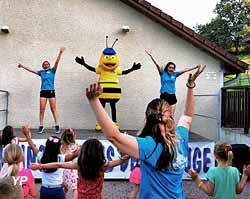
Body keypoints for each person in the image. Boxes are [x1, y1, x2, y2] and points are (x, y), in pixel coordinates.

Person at [86, 64, 206, 199]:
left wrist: (94, 101)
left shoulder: (150, 146)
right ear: (170, 116)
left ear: (148, 120)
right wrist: (190, 86)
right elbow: (188, 116)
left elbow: (114, 136)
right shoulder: (180, 137)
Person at [30, 138, 130, 199]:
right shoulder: (102, 165)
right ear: (100, 152)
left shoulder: (80, 165)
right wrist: (122, 143)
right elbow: (123, 159)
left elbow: (58, 164)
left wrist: (41, 166)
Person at [22, 125, 79, 199]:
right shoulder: (60, 158)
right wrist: (80, 148)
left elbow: (32, 146)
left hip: (45, 189)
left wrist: (27, 134)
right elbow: (74, 155)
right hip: (58, 190)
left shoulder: (41, 156)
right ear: (58, 148)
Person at [17, 47, 65, 134]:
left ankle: (57, 126)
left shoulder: (53, 71)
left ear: (49, 65)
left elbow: (57, 62)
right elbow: (31, 70)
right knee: (42, 110)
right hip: (43, 92)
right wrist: (22, 66)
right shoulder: (41, 72)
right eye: (44, 64)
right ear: (43, 66)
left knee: (53, 109)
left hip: (51, 92)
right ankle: (41, 126)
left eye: (47, 64)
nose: (46, 65)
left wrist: (60, 53)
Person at [145, 50, 200, 116]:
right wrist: (151, 56)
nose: (171, 69)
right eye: (170, 67)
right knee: (163, 115)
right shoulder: (162, 73)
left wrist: (195, 67)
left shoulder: (175, 74)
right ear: (167, 68)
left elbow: (185, 70)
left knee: (171, 115)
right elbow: (157, 64)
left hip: (172, 96)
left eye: (173, 68)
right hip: (164, 96)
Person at [60, 128, 80, 199]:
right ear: (74, 137)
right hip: (71, 171)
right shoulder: (76, 147)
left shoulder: (62, 147)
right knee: (75, 189)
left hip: (63, 171)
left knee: (65, 187)